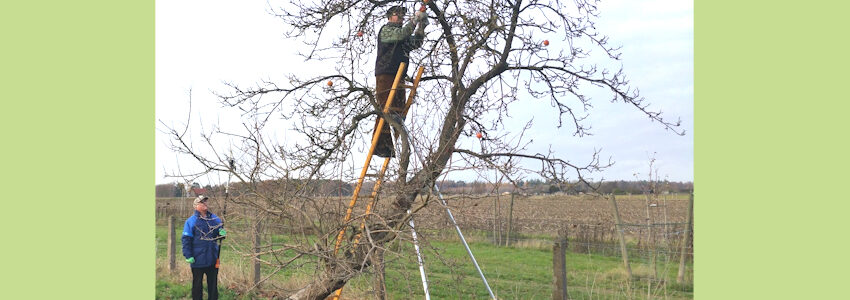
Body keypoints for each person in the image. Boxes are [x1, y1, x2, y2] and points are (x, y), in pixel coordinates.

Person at [372, 5, 429, 158]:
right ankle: (379, 146)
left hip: (399, 75)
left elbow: (415, 43)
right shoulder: (386, 30)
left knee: (398, 111)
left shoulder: (403, 34)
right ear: (390, 16)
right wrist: (415, 20)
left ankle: (391, 145)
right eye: (398, 14)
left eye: (402, 15)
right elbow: (402, 34)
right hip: (386, 74)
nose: (401, 17)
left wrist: (421, 26)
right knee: (386, 108)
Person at [182, 195, 226, 300]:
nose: (205, 203)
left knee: (213, 285)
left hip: (212, 258)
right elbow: (186, 240)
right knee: (197, 285)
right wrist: (188, 255)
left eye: (205, 201)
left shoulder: (215, 219)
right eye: (202, 202)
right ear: (196, 206)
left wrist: (222, 233)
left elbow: (219, 236)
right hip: (197, 259)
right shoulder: (191, 221)